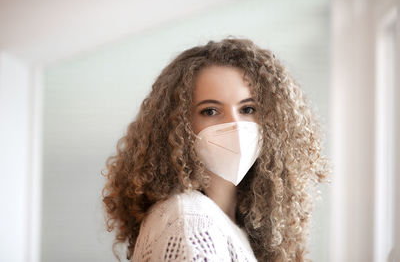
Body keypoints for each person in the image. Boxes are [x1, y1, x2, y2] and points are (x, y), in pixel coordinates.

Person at [102, 37, 329, 261]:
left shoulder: (236, 226)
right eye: (210, 111)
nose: (235, 125)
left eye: (248, 109)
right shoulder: (190, 220)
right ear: (177, 125)